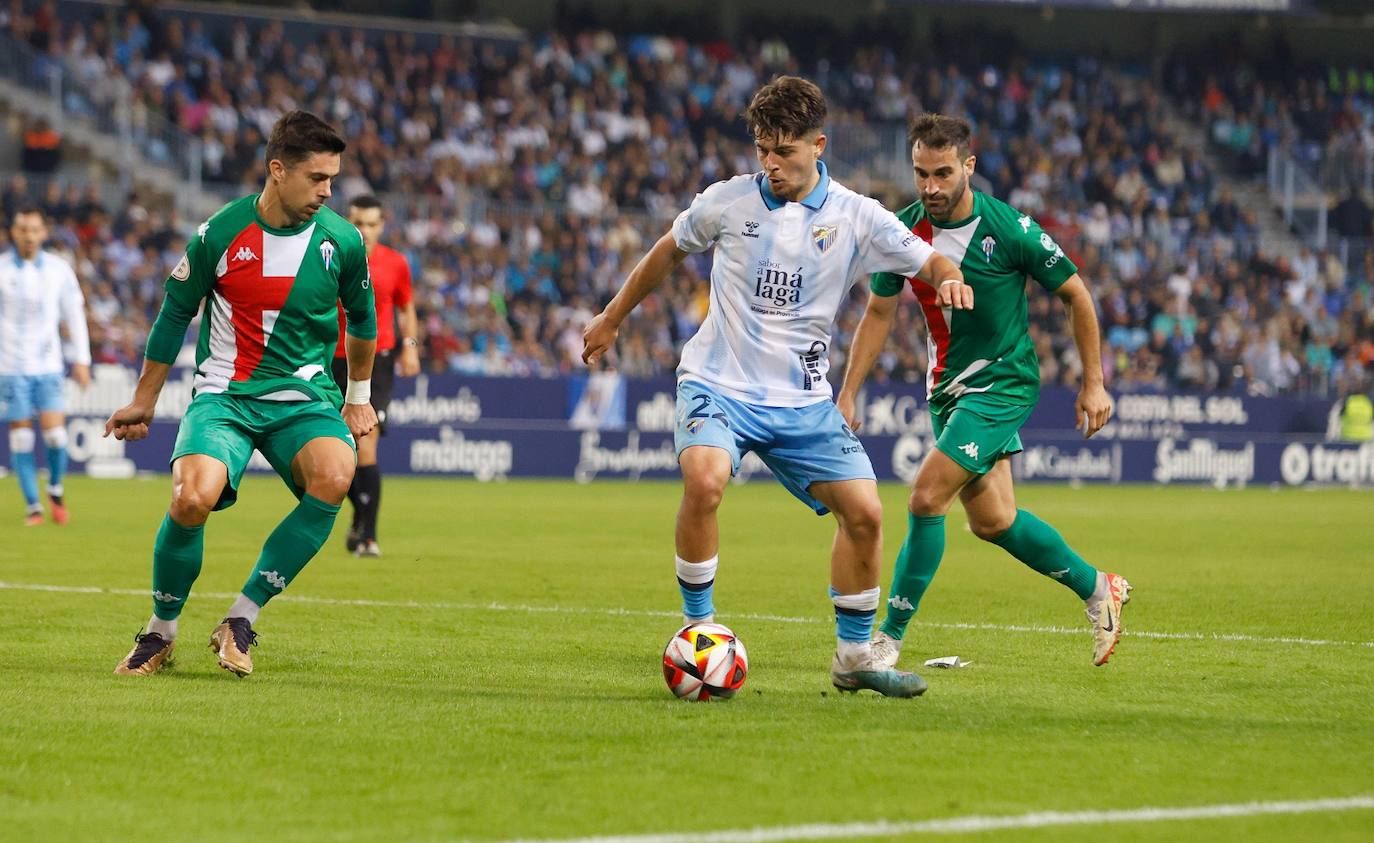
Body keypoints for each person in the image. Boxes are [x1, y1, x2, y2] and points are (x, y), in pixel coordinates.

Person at [582, 77, 971, 697]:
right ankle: (699, 633)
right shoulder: (728, 202)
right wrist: (611, 316)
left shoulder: (856, 215)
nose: (771, 164)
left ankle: (854, 661)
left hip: (803, 401)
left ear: (819, 145)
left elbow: (929, 259)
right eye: (762, 149)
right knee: (705, 479)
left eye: (784, 151)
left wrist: (949, 277)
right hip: (719, 381)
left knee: (867, 514)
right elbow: (667, 250)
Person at [837, 113, 1131, 669]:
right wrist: (848, 393)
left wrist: (1094, 382)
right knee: (993, 520)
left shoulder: (1011, 229)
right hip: (946, 391)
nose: (931, 187)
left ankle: (886, 640)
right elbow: (878, 312)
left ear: (968, 166)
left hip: (1001, 384)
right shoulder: (903, 232)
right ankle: (1100, 589)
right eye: (921, 173)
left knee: (926, 497)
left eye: (943, 173)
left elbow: (1078, 295)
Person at [105, 111, 378, 678]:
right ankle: (160, 630)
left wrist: (358, 396)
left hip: (302, 397)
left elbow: (363, 320)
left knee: (335, 475)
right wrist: (144, 399)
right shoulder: (220, 234)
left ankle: (241, 619)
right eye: (317, 179)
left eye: (333, 179)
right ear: (278, 171)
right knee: (190, 498)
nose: (329, 192)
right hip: (225, 397)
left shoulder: (343, 242)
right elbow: (174, 313)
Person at [330, 194, 419, 557]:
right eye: (357, 223)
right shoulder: (328, 257)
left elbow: (406, 308)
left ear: (382, 226)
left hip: (376, 360)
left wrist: (410, 345)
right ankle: (359, 518)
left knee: (365, 443)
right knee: (338, 451)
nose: (363, 230)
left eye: (370, 224)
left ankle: (368, 534)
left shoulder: (396, 264)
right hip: (330, 359)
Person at [0, 205, 91, 525]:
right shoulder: (2, 270)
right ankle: (33, 507)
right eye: (22, 229)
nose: (28, 236)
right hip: (10, 368)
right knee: (21, 439)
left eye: (34, 229)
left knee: (55, 437)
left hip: (48, 366)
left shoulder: (58, 270)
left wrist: (82, 359)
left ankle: (54, 486)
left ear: (43, 233)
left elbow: (75, 315)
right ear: (13, 232)